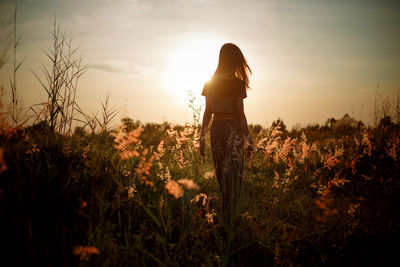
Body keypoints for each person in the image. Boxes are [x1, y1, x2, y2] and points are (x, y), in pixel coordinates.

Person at [199, 43, 254, 223]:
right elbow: (240, 113)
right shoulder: (237, 84)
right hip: (232, 129)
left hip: (216, 130)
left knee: (221, 175)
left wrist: (201, 137)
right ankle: (232, 219)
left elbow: (208, 112)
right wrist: (248, 138)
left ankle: (224, 216)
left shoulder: (210, 82)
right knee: (235, 176)